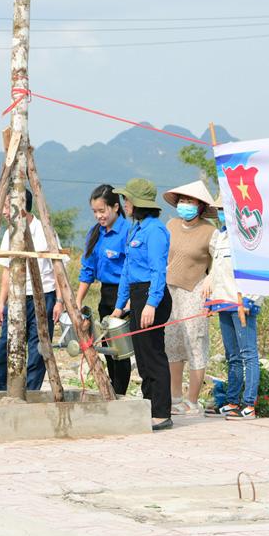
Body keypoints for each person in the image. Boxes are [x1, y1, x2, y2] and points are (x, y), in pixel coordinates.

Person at [0, 189, 65, 392]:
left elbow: (58, 269)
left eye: (7, 207)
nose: (5, 212)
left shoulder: (45, 231)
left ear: (20, 207)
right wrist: (0, 303)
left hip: (43, 296)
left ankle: (31, 392)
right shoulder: (9, 232)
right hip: (16, 298)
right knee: (6, 345)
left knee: (38, 349)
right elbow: (6, 270)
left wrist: (59, 301)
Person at [112, 179, 173, 431]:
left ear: (137, 203)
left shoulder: (155, 231)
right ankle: (149, 405)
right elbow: (127, 270)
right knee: (142, 357)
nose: (124, 204)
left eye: (127, 199)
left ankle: (162, 412)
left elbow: (159, 269)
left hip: (152, 295)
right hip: (137, 295)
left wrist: (151, 303)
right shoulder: (134, 230)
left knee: (153, 354)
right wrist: (119, 305)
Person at [161, 181, 217, 417]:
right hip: (169, 290)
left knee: (194, 343)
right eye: (182, 201)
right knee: (171, 343)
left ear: (201, 206)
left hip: (194, 291)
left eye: (190, 201)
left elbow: (219, 263)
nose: (185, 205)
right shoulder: (171, 225)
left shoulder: (210, 231)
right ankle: (175, 397)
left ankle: (192, 400)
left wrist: (210, 279)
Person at [203, 205, 263, 420]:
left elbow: (255, 269)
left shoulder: (248, 236)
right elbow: (216, 272)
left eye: (224, 208)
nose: (221, 212)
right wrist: (210, 299)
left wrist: (250, 298)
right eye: (218, 208)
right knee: (232, 356)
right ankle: (232, 401)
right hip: (223, 302)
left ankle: (249, 403)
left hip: (241, 303)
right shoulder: (219, 237)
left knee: (248, 354)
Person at [75, 184, 130, 396]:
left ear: (116, 207)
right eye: (95, 212)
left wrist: (125, 304)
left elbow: (130, 269)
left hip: (124, 295)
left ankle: (120, 392)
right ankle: (112, 391)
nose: (99, 216)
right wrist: (78, 300)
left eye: (102, 210)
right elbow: (87, 270)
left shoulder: (127, 231)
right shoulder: (95, 233)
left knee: (121, 350)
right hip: (106, 294)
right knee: (107, 347)